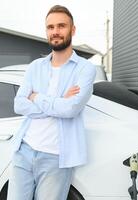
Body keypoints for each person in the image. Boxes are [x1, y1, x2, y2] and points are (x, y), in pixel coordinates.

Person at [8, 5, 96, 200]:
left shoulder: (85, 69)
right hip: (24, 150)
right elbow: (19, 104)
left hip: (56, 158)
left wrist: (37, 97)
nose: (55, 31)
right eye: (50, 27)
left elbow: (71, 109)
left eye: (61, 26)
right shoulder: (35, 67)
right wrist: (59, 102)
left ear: (72, 30)